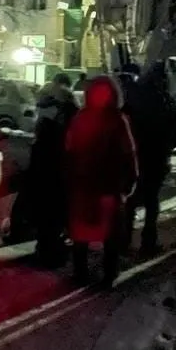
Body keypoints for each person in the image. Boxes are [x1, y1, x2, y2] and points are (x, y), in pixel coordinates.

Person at [65, 75, 138, 286]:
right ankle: (107, 274)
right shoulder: (116, 119)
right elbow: (129, 152)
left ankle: (83, 273)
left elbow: (69, 151)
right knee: (107, 234)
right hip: (106, 185)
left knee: (84, 233)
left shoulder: (82, 118)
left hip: (88, 185)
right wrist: (130, 180)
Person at [123, 61, 176, 256]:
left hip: (135, 155)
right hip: (158, 157)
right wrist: (175, 146)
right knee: (151, 200)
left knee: (131, 198)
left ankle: (123, 240)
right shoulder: (168, 100)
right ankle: (148, 242)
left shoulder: (133, 95)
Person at [24, 72, 80, 266]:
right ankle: (54, 251)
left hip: (45, 174)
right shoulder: (68, 116)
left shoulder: (45, 119)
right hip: (59, 174)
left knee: (45, 216)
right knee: (56, 215)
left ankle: (45, 249)